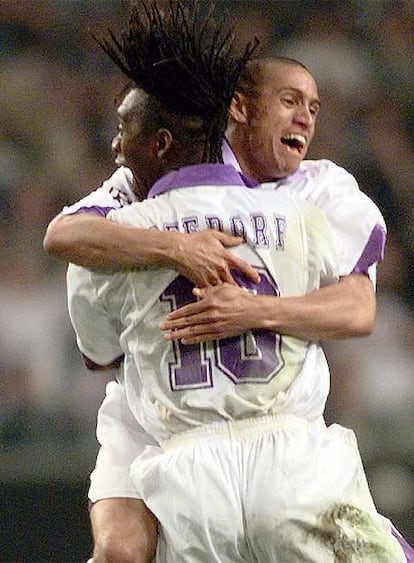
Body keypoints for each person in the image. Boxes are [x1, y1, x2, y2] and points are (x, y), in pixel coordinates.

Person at [43, 27, 414, 563]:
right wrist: (176, 248)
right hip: (180, 422)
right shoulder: (173, 183)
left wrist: (256, 310)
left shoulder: (316, 186)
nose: (306, 117)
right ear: (239, 109)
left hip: (210, 440)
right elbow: (62, 234)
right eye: (289, 101)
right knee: (120, 550)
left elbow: (359, 309)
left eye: (313, 105)